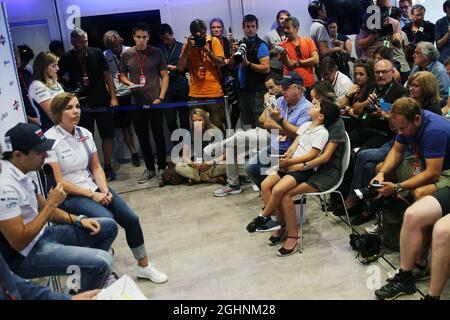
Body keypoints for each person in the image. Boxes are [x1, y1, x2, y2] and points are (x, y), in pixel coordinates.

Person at [44, 92, 168, 284]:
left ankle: (143, 266)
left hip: (93, 187)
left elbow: (96, 167)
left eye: (77, 106)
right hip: (70, 195)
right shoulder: (50, 139)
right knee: (106, 222)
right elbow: (59, 182)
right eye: (69, 108)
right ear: (58, 112)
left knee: (131, 218)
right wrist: (93, 195)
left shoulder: (84, 133)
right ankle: (102, 270)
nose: (76, 111)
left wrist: (104, 189)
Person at [0, 123, 117, 292]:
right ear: (18, 155)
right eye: (40, 152)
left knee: (108, 227)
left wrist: (79, 219)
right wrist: (52, 203)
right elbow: (19, 242)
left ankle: (83, 282)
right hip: (24, 256)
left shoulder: (23, 172)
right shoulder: (5, 187)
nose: (46, 155)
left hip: (43, 236)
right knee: (102, 261)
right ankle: (83, 289)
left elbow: (44, 209)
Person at [252, 97, 345, 255]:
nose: (312, 102)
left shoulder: (328, 129)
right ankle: (279, 224)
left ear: (322, 115)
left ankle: (289, 233)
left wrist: (293, 163)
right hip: (296, 163)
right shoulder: (308, 124)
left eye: (316, 102)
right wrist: (287, 157)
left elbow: (319, 157)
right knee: (266, 184)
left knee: (283, 193)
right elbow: (297, 141)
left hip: (317, 170)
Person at [58, 28, 118, 181]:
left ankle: (108, 165)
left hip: (102, 100)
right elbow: (62, 80)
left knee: (107, 134)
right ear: (73, 42)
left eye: (85, 41)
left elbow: (107, 75)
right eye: (80, 42)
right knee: (85, 137)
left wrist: (113, 96)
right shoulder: (66, 58)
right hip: (81, 105)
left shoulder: (96, 53)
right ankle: (90, 168)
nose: (84, 44)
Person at [212, 73, 284, 197]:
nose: (269, 91)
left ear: (280, 85)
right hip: (263, 131)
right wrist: (268, 105)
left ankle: (216, 147)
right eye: (267, 88)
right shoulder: (273, 99)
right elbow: (262, 119)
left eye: (271, 87)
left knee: (239, 136)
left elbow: (267, 122)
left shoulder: (283, 99)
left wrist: (267, 103)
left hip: (273, 135)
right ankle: (233, 185)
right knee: (232, 146)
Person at [241, 72, 312, 195]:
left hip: (290, 151)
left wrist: (278, 122)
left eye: (286, 87)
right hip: (275, 147)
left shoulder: (307, 108)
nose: (283, 90)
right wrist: (268, 104)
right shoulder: (280, 100)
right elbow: (264, 121)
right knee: (250, 168)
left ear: (299, 88)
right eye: (282, 87)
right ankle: (271, 196)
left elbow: (300, 134)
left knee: (255, 168)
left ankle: (274, 197)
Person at [119, 22, 169, 185]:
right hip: (136, 103)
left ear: (148, 37)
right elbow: (121, 75)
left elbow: (165, 75)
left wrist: (160, 97)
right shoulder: (127, 55)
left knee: (159, 135)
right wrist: (129, 83)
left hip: (155, 101)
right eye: (138, 37)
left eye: (144, 37)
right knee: (142, 137)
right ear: (133, 37)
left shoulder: (156, 52)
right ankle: (149, 168)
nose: (141, 40)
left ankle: (161, 167)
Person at [348, 59, 408, 151]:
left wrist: (383, 116)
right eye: (377, 72)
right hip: (365, 128)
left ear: (392, 72)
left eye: (384, 72)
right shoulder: (371, 86)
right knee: (343, 142)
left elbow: (403, 124)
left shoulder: (401, 92)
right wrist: (366, 102)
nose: (380, 75)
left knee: (362, 154)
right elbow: (356, 110)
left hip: (383, 134)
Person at [178, 19, 226, 129]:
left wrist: (206, 50)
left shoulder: (213, 41)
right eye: (197, 35)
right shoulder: (187, 45)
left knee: (217, 127)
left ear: (205, 31)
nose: (200, 37)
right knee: (198, 130)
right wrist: (187, 48)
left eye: (202, 34)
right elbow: (180, 67)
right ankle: (202, 147)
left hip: (214, 93)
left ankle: (219, 147)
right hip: (195, 94)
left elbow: (221, 64)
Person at [103, 30, 140, 167]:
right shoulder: (105, 56)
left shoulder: (130, 51)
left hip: (133, 90)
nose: (114, 48)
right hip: (117, 94)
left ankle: (144, 150)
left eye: (116, 44)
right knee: (125, 126)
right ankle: (133, 153)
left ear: (120, 41)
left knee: (138, 122)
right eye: (111, 46)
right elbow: (106, 77)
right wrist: (111, 94)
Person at [229, 14, 270, 128]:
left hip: (257, 91)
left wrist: (249, 64)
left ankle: (263, 146)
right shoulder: (241, 43)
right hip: (243, 90)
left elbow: (266, 68)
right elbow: (231, 66)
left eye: (253, 26)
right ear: (243, 28)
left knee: (260, 124)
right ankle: (253, 146)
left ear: (257, 27)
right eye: (247, 26)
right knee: (249, 125)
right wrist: (234, 53)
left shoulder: (260, 45)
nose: (250, 29)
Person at [0, 252, 99, 300]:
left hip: (42, 238)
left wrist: (69, 299)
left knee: (109, 226)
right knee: (100, 264)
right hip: (24, 256)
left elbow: (12, 283)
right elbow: (21, 242)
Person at [175, 109, 226, 185]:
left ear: (205, 120)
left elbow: (225, 154)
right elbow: (184, 157)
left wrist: (210, 163)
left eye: (200, 120)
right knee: (178, 167)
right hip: (198, 165)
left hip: (213, 163)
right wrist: (193, 164)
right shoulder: (189, 133)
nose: (197, 123)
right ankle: (208, 178)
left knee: (230, 163)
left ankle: (196, 177)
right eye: (194, 121)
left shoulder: (216, 132)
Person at [158, 23, 190, 135]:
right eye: (163, 39)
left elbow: (190, 67)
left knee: (184, 118)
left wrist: (176, 68)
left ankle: (186, 146)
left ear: (172, 34)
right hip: (166, 88)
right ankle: (178, 145)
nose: (165, 41)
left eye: (167, 38)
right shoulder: (159, 50)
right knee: (170, 120)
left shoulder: (183, 47)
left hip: (181, 85)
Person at [277, 16, 319, 99]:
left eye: (288, 28)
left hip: (309, 85)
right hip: (291, 87)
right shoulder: (282, 46)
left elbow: (316, 59)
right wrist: (307, 61)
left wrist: (297, 63)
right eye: (284, 28)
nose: (285, 30)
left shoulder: (308, 41)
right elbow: (288, 64)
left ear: (296, 28)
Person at [28, 51, 65, 131]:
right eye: (53, 66)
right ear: (44, 67)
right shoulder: (36, 86)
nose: (57, 68)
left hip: (64, 124)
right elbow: (52, 114)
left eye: (57, 65)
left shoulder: (54, 82)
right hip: (51, 129)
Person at [338, 59, 376, 131]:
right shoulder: (355, 87)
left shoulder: (372, 90)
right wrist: (348, 94)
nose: (358, 77)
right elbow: (339, 105)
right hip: (351, 121)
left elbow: (364, 117)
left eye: (361, 74)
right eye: (356, 74)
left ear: (369, 75)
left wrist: (349, 110)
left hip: (364, 127)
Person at [13, 46, 38, 125]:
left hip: (36, 115)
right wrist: (30, 119)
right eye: (25, 60)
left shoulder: (26, 72)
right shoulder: (9, 80)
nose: (26, 63)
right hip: (24, 121)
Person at [264, 10, 290, 76]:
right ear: (277, 20)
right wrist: (273, 51)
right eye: (281, 18)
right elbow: (263, 55)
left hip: (289, 69)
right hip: (275, 70)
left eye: (286, 19)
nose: (283, 20)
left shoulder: (292, 34)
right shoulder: (269, 35)